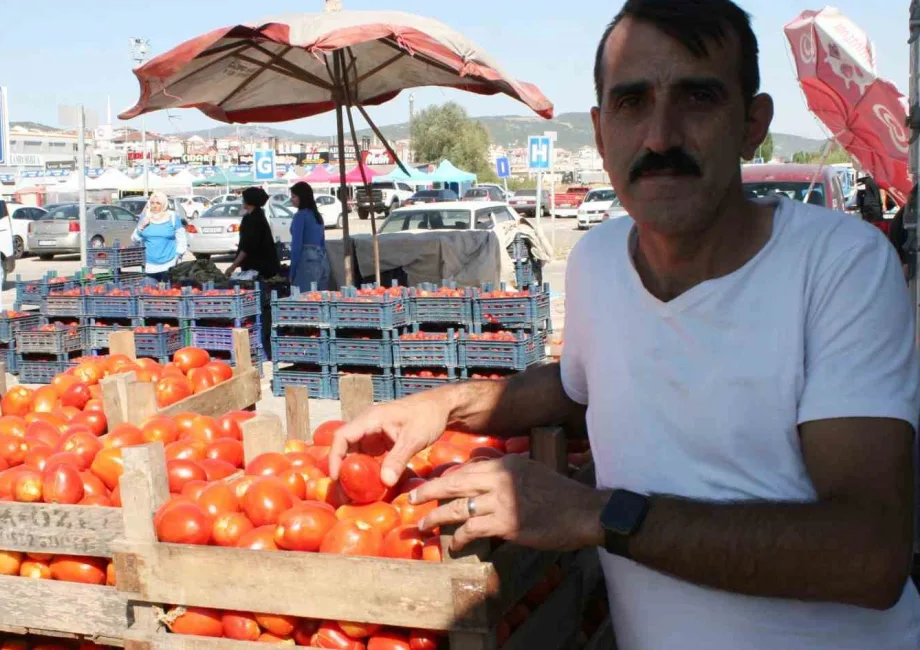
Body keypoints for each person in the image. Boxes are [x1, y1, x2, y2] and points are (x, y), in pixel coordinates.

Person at [329, 1, 920, 648]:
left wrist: (594, 514)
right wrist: (447, 404)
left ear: (753, 124)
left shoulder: (840, 264)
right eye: (632, 103)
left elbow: (870, 556)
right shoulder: (598, 260)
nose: (660, 137)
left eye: (698, 98)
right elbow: (575, 386)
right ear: (602, 134)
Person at [131, 191, 186, 283]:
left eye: (158, 203)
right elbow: (134, 239)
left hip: (169, 264)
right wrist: (141, 226)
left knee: (168, 294)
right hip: (150, 266)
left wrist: (178, 255)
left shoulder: (172, 217)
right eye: (152, 203)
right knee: (150, 294)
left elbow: (182, 240)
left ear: (164, 204)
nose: (155, 206)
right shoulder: (145, 217)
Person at [226, 186, 280, 278]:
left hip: (258, 268)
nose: (242, 201)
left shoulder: (253, 220)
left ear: (249, 201)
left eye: (244, 199)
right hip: (264, 266)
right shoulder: (257, 215)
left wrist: (233, 266)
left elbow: (247, 246)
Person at [288, 181, 331, 291]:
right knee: (320, 301)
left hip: (306, 262)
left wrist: (292, 272)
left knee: (304, 302)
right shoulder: (317, 216)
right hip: (322, 261)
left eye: (294, 196)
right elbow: (322, 242)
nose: (291, 199)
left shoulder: (300, 216)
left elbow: (296, 246)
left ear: (301, 197)